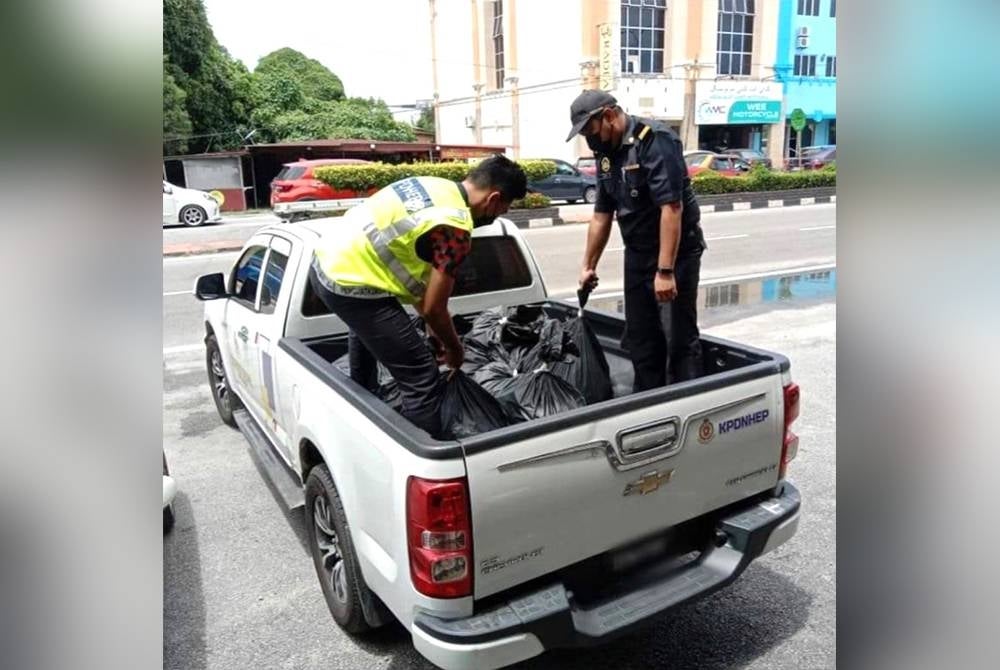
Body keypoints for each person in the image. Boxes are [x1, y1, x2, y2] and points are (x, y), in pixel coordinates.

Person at [308, 155, 528, 437]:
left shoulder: (433, 187)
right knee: (422, 376)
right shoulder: (455, 229)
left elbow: (414, 276)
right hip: (352, 283)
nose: (498, 216)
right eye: (504, 209)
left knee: (365, 333)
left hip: (325, 264)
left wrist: (433, 333)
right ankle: (424, 453)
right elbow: (436, 308)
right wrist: (454, 348)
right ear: (494, 199)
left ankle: (362, 404)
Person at [565, 90, 707, 390]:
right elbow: (602, 214)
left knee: (678, 338)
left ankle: (688, 402)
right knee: (641, 337)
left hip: (676, 254)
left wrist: (665, 272)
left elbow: (672, 207)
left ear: (608, 115)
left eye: (590, 130)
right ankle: (649, 404)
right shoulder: (606, 154)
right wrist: (587, 266)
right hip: (638, 252)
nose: (590, 140)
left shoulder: (654, 139)